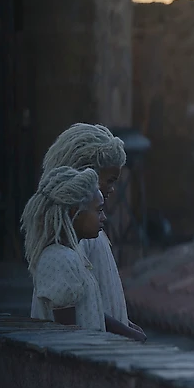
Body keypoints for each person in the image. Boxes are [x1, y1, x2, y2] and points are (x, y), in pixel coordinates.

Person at [42, 123, 146, 342]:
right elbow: (77, 313)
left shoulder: (90, 232)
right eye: (109, 181)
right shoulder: (77, 240)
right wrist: (126, 332)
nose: (112, 189)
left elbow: (96, 301)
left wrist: (125, 323)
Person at [22, 166, 107, 331]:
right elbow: (67, 335)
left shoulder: (71, 254)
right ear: (75, 213)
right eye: (99, 210)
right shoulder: (60, 259)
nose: (103, 217)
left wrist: (127, 331)